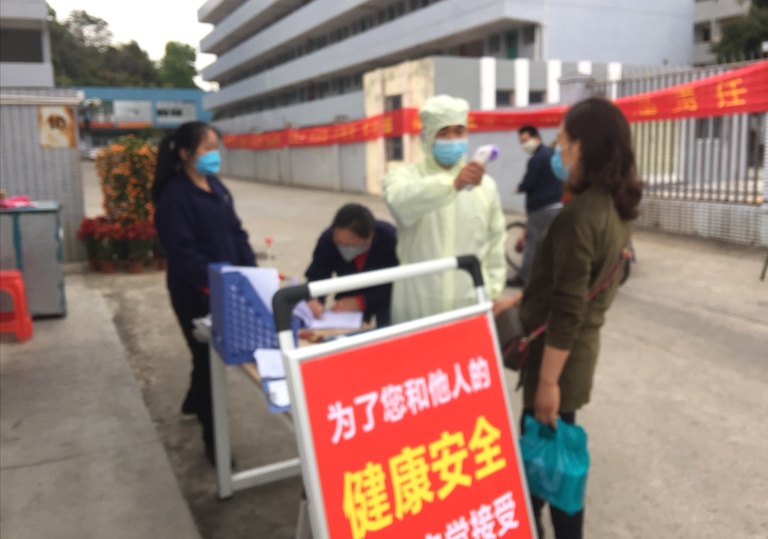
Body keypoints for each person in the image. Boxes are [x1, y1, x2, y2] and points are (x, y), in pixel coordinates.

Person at [495, 97, 643, 538]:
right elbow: (580, 285)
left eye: (563, 143)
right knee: (550, 457)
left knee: (549, 466)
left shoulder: (578, 216)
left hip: (557, 356)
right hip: (577, 352)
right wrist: (520, 302)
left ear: (584, 148)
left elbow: (568, 305)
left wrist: (546, 382)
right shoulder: (613, 207)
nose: (558, 153)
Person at [152, 121, 257, 466]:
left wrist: (251, 274)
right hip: (194, 293)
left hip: (229, 286)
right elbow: (183, 255)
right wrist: (215, 286)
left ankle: (192, 402)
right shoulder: (175, 197)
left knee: (205, 356)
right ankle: (215, 444)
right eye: (207, 149)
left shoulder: (216, 186)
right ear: (185, 154)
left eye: (216, 148)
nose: (215, 155)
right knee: (209, 361)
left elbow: (236, 232)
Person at [383, 94, 506, 323]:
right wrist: (452, 184)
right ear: (428, 137)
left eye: (459, 131)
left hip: (469, 303)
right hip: (418, 303)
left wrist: (494, 291)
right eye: (443, 132)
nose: (452, 139)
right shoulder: (404, 178)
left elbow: (495, 242)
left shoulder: (485, 186)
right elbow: (400, 202)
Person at [305, 203, 398, 327]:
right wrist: (315, 300)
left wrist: (362, 301)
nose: (343, 248)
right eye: (338, 242)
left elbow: (398, 282)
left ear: (369, 237)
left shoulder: (389, 238)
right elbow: (318, 274)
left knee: (389, 329)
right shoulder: (328, 239)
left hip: (385, 295)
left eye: (349, 245)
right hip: (348, 296)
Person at [514, 125, 563, 286]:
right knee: (553, 243)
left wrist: (520, 188)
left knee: (533, 244)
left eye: (526, 140)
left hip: (540, 208)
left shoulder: (536, 159)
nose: (524, 145)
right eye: (521, 142)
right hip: (557, 205)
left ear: (536, 138)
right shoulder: (553, 153)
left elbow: (530, 182)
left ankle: (524, 278)